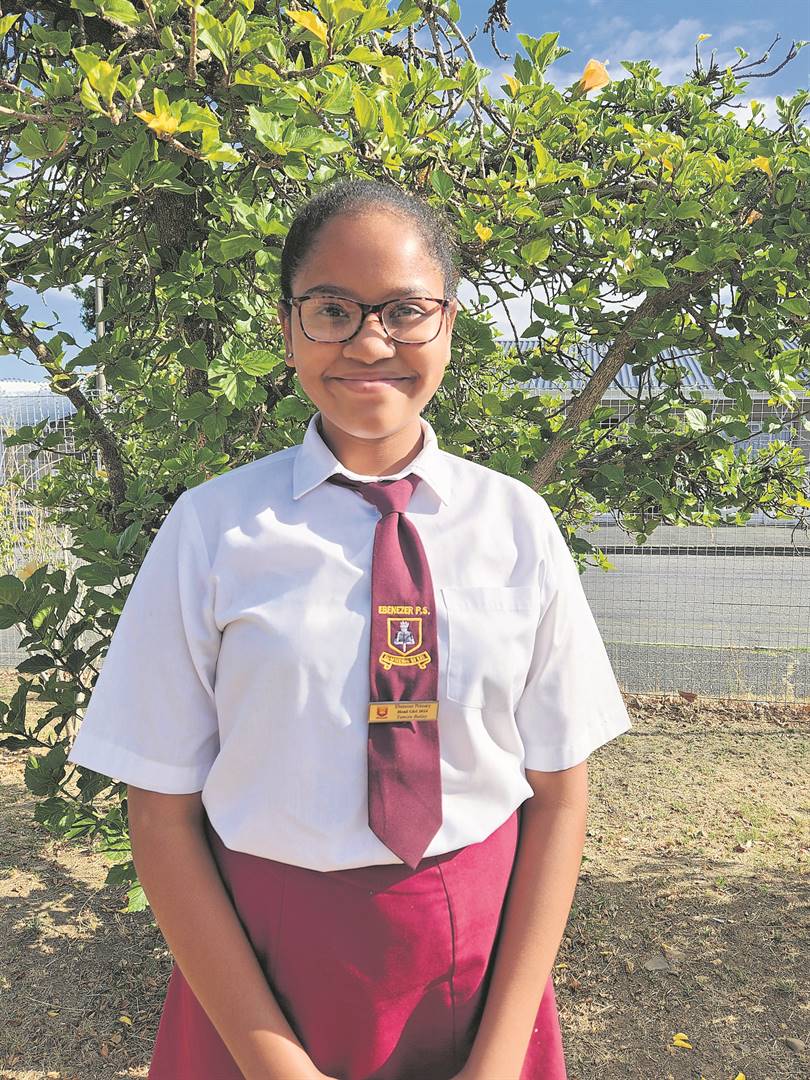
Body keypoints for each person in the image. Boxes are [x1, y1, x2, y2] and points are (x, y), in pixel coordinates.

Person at [67, 177, 632, 1080]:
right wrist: (276, 1065)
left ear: (449, 323)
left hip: (478, 969)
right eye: (332, 310)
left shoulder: (516, 524)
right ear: (288, 328)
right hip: (262, 977)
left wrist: (496, 1061)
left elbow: (560, 797)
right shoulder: (213, 530)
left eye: (405, 310)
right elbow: (161, 812)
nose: (370, 343)